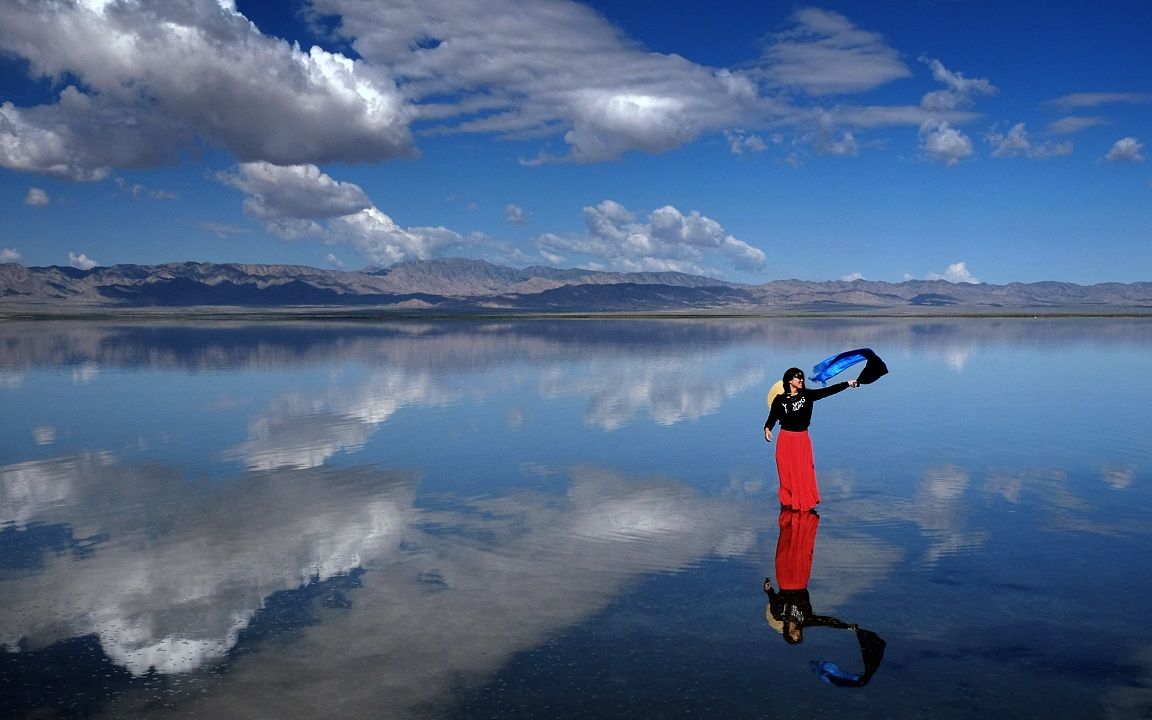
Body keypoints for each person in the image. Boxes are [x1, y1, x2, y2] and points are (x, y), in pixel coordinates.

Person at [763, 367, 857, 512]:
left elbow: (828, 391)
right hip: (784, 439)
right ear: (789, 380)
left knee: (802, 471)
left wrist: (848, 383)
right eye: (797, 377)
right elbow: (772, 417)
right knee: (785, 471)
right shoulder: (779, 399)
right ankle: (788, 501)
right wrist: (767, 428)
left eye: (802, 377)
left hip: (801, 439)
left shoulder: (807, 395)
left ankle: (803, 501)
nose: (801, 380)